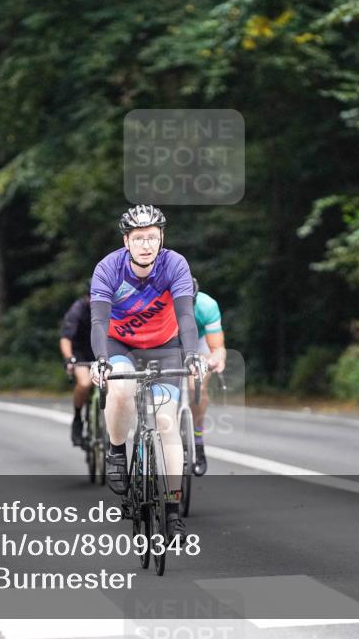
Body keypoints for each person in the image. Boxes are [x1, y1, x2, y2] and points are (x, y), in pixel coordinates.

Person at [89, 204, 204, 541]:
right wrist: (100, 359)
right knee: (121, 392)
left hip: (165, 345)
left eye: (152, 237)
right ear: (127, 241)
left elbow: (185, 316)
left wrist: (193, 355)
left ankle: (171, 511)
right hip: (119, 345)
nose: (146, 245)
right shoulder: (108, 268)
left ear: (161, 238)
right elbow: (98, 320)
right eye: (139, 238)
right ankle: (115, 449)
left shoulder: (175, 264)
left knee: (167, 423)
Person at [190, 278, 226, 476]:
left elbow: (217, 347)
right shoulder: (161, 302)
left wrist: (214, 360)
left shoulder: (206, 305)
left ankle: (197, 437)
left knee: (196, 387)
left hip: (198, 342)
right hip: (168, 340)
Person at [60, 294, 95, 447]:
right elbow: (66, 338)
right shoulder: (79, 309)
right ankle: (77, 418)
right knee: (85, 383)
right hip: (80, 354)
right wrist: (69, 358)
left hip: (104, 352)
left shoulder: (113, 305)